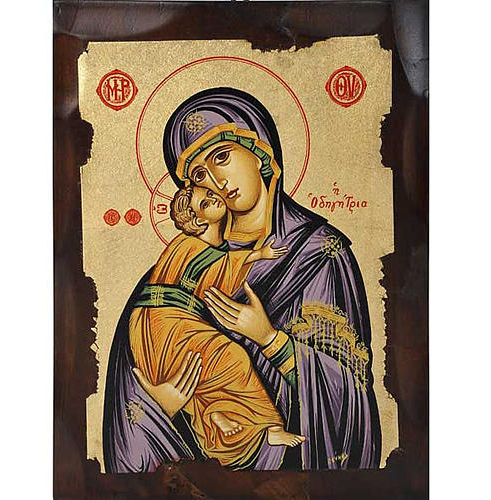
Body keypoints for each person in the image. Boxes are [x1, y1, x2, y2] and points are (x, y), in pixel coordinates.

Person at [103, 87, 381, 472]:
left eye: (222, 156)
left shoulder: (320, 254)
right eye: (200, 175)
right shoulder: (173, 273)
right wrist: (161, 403)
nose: (217, 180)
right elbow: (132, 388)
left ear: (259, 150)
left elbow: (350, 392)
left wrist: (269, 339)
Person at [128, 184, 303, 469]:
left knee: (200, 376)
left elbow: (218, 271)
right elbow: (217, 266)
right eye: (205, 202)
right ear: (197, 220)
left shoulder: (216, 249)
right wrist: (258, 255)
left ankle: (215, 414)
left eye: (209, 194)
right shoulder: (186, 244)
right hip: (163, 320)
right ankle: (269, 425)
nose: (213, 197)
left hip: (174, 320)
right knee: (232, 358)